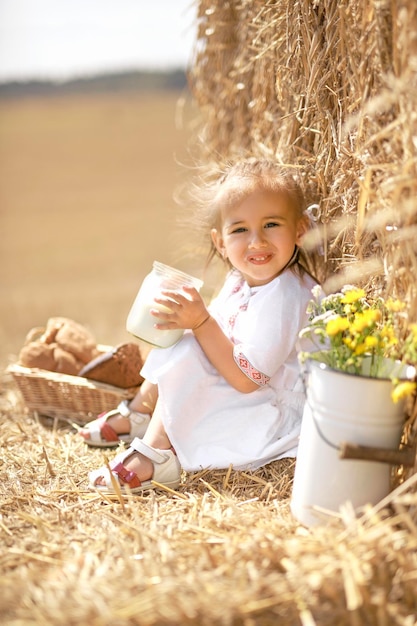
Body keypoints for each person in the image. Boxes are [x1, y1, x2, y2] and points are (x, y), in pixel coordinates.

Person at [82, 158, 320, 493]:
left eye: (271, 225)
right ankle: (141, 412)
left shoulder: (286, 297)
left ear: (299, 229)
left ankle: (158, 452)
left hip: (270, 412)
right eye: (240, 230)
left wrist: (202, 322)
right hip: (246, 392)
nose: (256, 242)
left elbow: (246, 379)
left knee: (192, 342)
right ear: (220, 242)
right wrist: (190, 319)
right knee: (185, 336)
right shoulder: (241, 279)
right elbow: (218, 336)